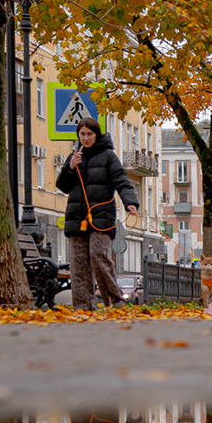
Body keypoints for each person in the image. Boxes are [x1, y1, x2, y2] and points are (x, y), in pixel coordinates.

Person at [56, 118, 139, 311]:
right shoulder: (74, 157)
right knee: (79, 263)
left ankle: (116, 300)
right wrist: (69, 168)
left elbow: (122, 180)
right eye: (82, 134)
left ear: (97, 135)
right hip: (77, 217)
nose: (85, 138)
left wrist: (130, 202)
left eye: (89, 134)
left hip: (101, 216)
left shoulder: (108, 156)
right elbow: (63, 186)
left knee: (98, 255)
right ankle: (83, 306)